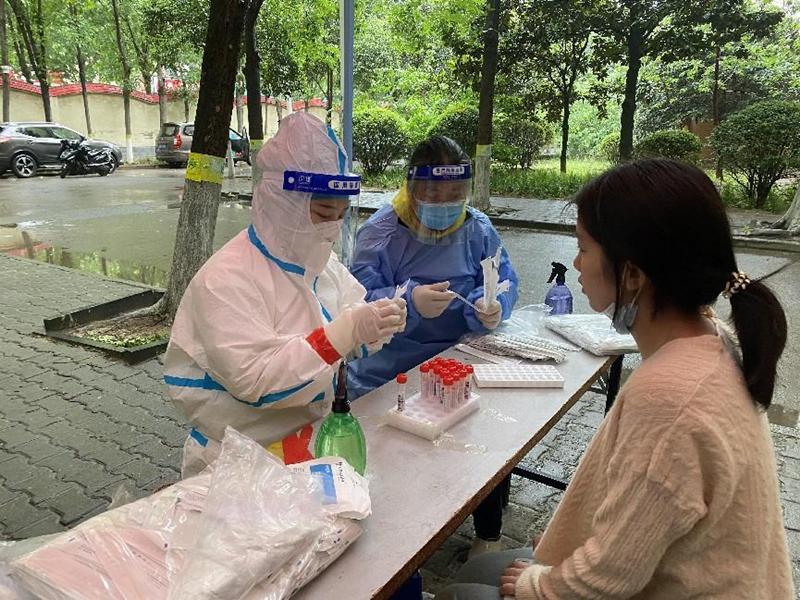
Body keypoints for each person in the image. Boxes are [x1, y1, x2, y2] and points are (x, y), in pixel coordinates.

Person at [438, 159, 794, 599]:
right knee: (487, 567)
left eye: (583, 249)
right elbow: (647, 507)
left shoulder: (669, 398)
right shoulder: (711, 336)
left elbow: (608, 577)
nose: (576, 263)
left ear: (632, 275)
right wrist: (572, 537)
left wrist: (538, 584)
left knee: (461, 594)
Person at [163, 112, 406, 477]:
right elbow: (258, 381)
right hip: (237, 461)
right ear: (282, 201)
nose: (333, 227)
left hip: (308, 443)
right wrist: (345, 333)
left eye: (342, 214)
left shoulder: (319, 263)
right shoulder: (226, 279)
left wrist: (376, 325)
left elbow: (349, 323)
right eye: (323, 211)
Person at [347, 135, 519, 557]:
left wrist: (492, 306)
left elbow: (503, 278)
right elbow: (355, 303)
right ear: (411, 189)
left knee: (484, 448)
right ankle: (400, 537)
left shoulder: (477, 228)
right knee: (397, 462)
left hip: (457, 360)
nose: (445, 204)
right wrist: (407, 303)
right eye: (433, 195)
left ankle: (487, 535)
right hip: (389, 370)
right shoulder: (381, 234)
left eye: (455, 194)